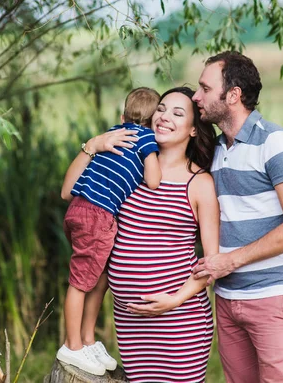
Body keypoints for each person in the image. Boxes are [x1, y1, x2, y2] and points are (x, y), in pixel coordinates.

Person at [65, 87, 219, 382]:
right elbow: (71, 194)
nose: (164, 117)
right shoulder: (129, 168)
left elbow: (210, 262)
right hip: (131, 324)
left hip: (179, 323)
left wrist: (173, 301)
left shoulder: (200, 183)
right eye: (161, 108)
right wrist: (93, 145)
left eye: (178, 113)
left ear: (193, 131)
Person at [192, 51, 283, 383]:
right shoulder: (216, 149)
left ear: (232, 95)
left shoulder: (276, 142)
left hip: (274, 296)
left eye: (205, 88)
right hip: (229, 300)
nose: (196, 96)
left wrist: (229, 261)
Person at [58, 87, 162, 375]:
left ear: (122, 116)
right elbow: (153, 181)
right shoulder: (147, 140)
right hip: (98, 216)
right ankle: (73, 346)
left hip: (80, 209)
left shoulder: (113, 133)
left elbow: (67, 191)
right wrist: (153, 155)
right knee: (80, 282)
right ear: (154, 123)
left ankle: (88, 340)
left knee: (100, 277)